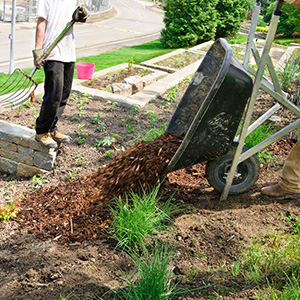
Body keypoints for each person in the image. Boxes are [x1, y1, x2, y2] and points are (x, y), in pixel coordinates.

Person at [33, 0, 88, 148]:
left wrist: (81, 16)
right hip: (52, 52)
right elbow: (41, 22)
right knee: (54, 95)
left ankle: (52, 128)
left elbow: (77, 15)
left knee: (64, 93)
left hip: (68, 51)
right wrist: (38, 49)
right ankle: (42, 131)